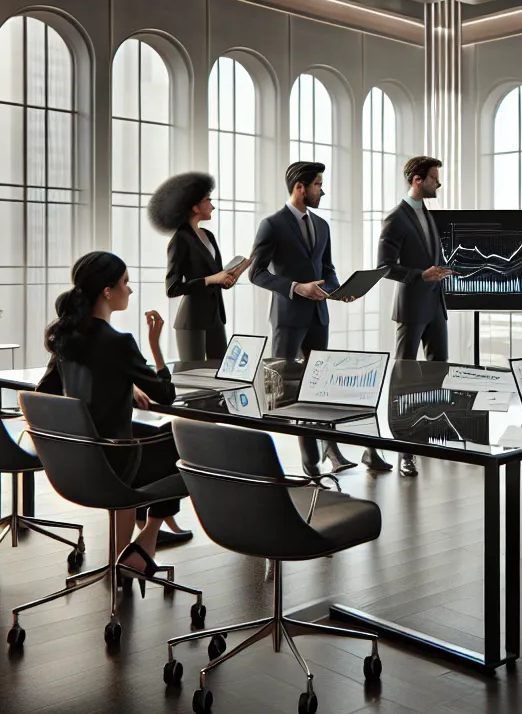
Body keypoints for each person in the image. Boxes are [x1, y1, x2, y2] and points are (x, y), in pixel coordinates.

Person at [37, 251, 191, 584]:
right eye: (125, 283)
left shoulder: (67, 338)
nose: (130, 291)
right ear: (108, 291)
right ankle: (145, 539)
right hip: (116, 465)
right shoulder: (118, 343)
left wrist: (126, 383)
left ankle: (125, 553)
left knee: (149, 440)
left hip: (74, 463)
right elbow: (166, 394)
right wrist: (155, 347)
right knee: (182, 446)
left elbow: (44, 394)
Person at [248, 161, 373, 476]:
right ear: (300, 187)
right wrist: (294, 288)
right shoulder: (272, 224)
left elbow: (327, 269)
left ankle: (330, 451)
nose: (322, 190)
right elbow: (256, 273)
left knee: (320, 388)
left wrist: (338, 290)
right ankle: (309, 464)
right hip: (288, 318)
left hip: (319, 315)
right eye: (318, 184)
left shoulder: (322, 225)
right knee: (289, 391)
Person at [376, 155, 456, 477]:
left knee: (439, 372)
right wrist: (420, 275)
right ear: (418, 180)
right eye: (435, 178)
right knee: (405, 378)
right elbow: (384, 267)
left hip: (436, 305)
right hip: (411, 308)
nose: (439, 183)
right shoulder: (395, 218)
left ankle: (429, 434)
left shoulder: (427, 215)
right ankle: (403, 450)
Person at [152, 171, 249, 363]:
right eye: (208, 200)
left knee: (219, 373)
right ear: (195, 207)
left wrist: (227, 279)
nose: (212, 206)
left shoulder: (208, 236)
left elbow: (216, 276)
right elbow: (172, 288)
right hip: (192, 320)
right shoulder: (180, 240)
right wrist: (211, 279)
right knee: (193, 375)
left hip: (216, 317)